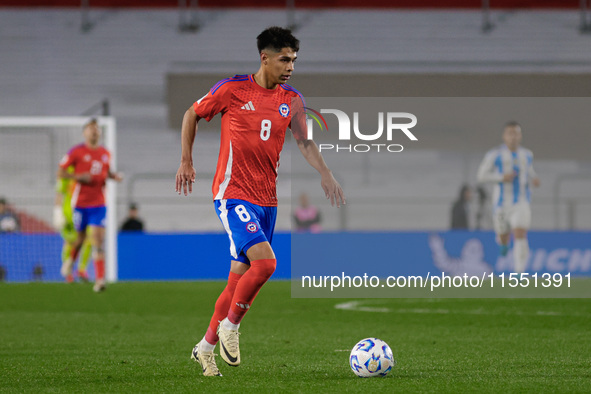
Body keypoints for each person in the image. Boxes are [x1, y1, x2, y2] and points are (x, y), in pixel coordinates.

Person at [175, 26, 345, 377]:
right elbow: (191, 113)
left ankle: (204, 349)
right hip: (233, 192)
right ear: (264, 58)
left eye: (294, 60)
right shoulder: (233, 89)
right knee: (266, 265)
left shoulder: (292, 99)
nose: (291, 66)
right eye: (285, 59)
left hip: (268, 200)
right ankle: (231, 327)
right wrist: (186, 160)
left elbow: (304, 142)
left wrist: (325, 173)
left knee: (237, 278)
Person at [58, 119, 122, 292]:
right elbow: (61, 171)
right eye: (90, 129)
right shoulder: (76, 152)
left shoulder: (105, 153)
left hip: (99, 203)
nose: (94, 132)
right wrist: (78, 177)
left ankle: (100, 280)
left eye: (97, 129)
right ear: (84, 133)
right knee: (79, 239)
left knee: (97, 239)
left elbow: (106, 173)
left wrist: (114, 177)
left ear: (100, 133)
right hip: (80, 203)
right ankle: (70, 262)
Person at [477, 121, 540, 273]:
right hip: (501, 204)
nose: (513, 137)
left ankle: (519, 273)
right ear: (504, 136)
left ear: (520, 136)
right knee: (504, 236)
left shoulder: (527, 155)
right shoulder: (495, 155)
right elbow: (481, 176)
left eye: (516, 133)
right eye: (510, 133)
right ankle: (503, 244)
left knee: (520, 233)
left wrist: (534, 178)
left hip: (521, 202)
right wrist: (501, 177)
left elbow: (529, 171)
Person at [53, 168, 93, 283]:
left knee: (88, 240)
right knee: (70, 241)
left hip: (84, 210)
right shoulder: (67, 171)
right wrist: (57, 211)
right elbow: (59, 193)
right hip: (69, 212)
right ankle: (69, 273)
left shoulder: (87, 168)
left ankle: (82, 269)